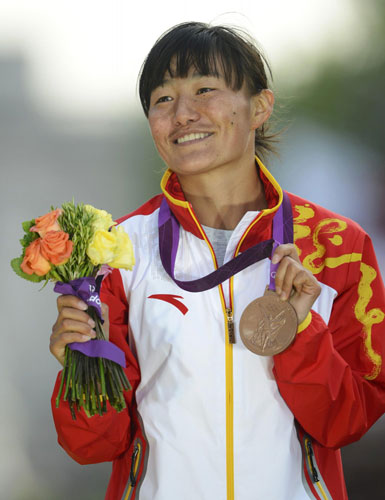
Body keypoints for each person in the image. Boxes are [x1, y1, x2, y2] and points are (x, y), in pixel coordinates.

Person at [50, 22, 385, 500]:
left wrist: (298, 333)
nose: (183, 114)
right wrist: (81, 366)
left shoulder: (337, 246)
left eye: (205, 89)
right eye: (163, 99)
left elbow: (348, 421)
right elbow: (92, 446)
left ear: (259, 108)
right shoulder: (115, 252)